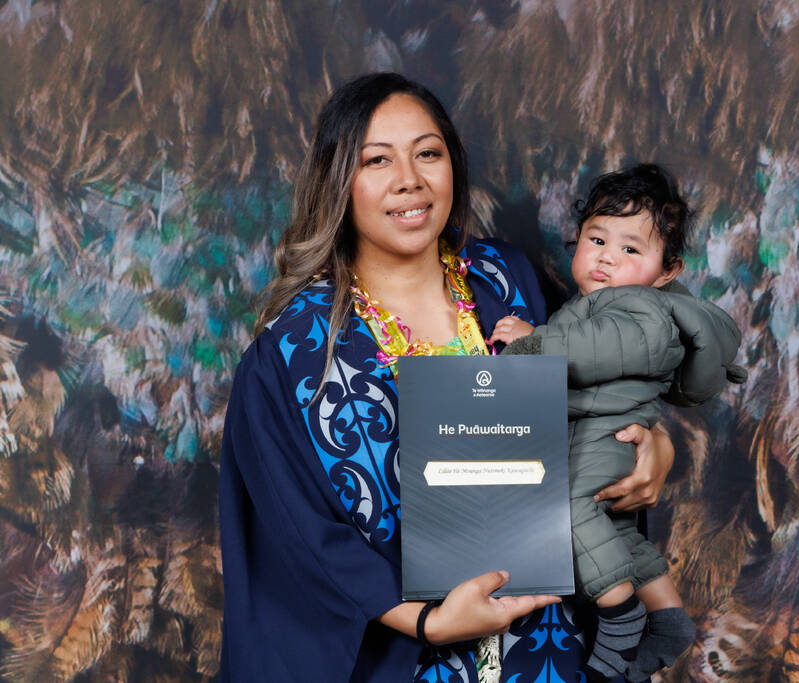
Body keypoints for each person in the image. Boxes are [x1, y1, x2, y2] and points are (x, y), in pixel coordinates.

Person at [218, 73, 682, 683]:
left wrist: (652, 442)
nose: (409, 180)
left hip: (548, 648)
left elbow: (598, 388)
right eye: (377, 160)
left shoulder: (507, 281)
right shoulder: (294, 351)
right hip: (406, 659)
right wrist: (429, 622)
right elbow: (299, 534)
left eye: (427, 153)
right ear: (339, 181)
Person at [490, 164, 747, 681]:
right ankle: (669, 619)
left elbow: (591, 352)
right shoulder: (599, 303)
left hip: (605, 434)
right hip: (599, 432)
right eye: (597, 238)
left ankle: (619, 614)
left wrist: (531, 341)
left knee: (564, 507)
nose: (608, 255)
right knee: (618, 534)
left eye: (631, 249)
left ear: (667, 270)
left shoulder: (641, 310)